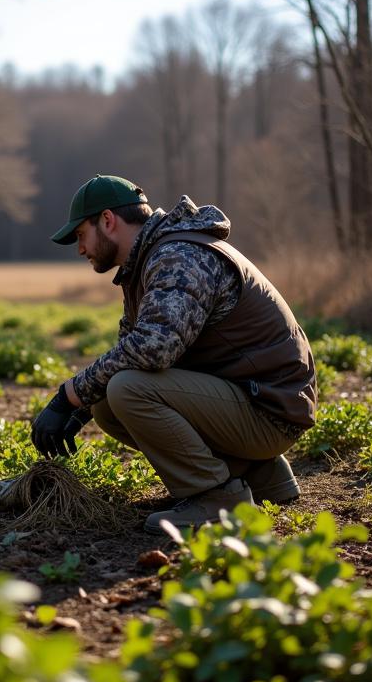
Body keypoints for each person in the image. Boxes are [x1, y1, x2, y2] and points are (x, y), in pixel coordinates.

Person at [30, 174, 317, 532]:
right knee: (106, 401)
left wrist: (67, 397)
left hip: (269, 412)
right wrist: (83, 406)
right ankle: (261, 474)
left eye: (80, 235)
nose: (80, 249)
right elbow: (131, 347)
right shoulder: (151, 259)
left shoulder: (178, 256)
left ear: (107, 221)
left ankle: (217, 497)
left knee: (126, 389)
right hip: (257, 402)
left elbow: (152, 349)